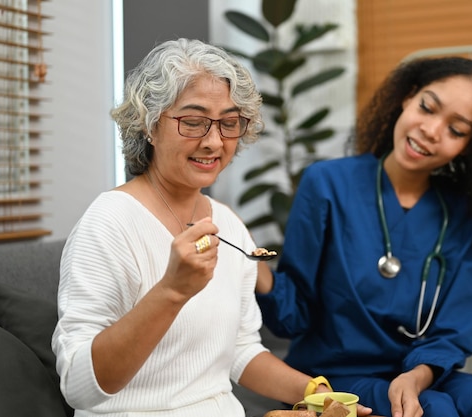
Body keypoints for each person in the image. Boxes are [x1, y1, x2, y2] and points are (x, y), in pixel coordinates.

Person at [51, 38, 373, 417]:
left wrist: (315, 392)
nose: (215, 141)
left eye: (229, 123)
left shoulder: (229, 224)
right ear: (148, 125)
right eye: (193, 121)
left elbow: (239, 349)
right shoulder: (108, 223)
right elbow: (79, 387)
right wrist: (172, 291)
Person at [256, 56, 472, 417]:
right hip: (335, 375)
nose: (431, 130)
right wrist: (257, 273)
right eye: (427, 108)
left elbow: (453, 332)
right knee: (435, 410)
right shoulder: (327, 184)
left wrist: (415, 377)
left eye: (456, 130)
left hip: (421, 373)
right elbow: (294, 314)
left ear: (469, 146)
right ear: (407, 97)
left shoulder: (471, 219)